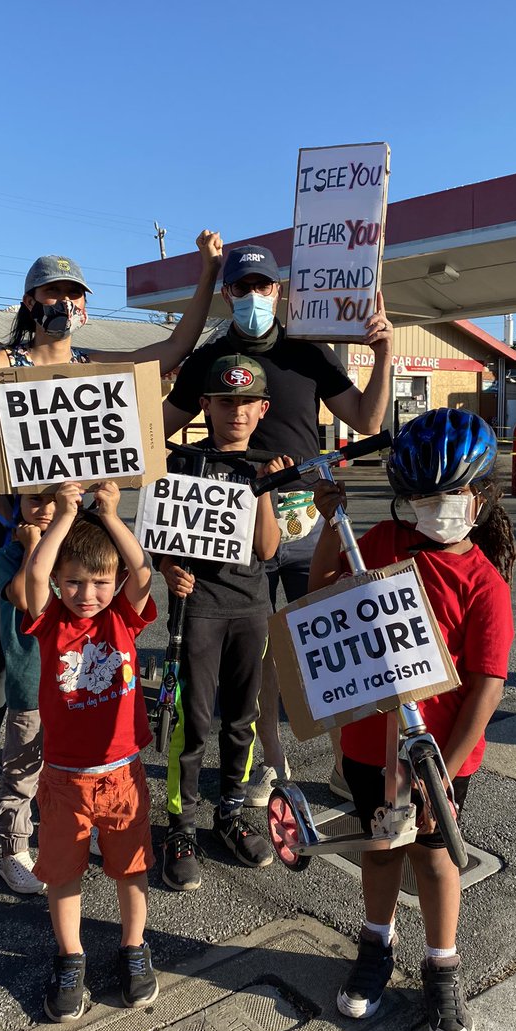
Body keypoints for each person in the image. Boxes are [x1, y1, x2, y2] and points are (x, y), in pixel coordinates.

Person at [0, 234, 221, 800]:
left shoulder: (97, 371)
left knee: (71, 650)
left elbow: (174, 348)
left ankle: (61, 754)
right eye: (51, 293)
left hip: (77, 535)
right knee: (12, 651)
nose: (63, 305)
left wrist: (206, 273)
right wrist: (15, 520)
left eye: (72, 294)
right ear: (30, 302)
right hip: (18, 531)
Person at [308, 408, 516, 1031]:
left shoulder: (484, 583)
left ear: (478, 497)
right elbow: (322, 592)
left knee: (434, 855)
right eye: (422, 498)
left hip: (443, 753)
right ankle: (375, 941)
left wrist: (443, 773)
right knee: (380, 846)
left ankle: (443, 961)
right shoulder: (380, 543)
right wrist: (326, 523)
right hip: (372, 743)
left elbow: (487, 683)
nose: (436, 509)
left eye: (449, 495)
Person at [163, 243, 393, 804]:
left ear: (280, 291)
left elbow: (367, 418)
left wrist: (385, 353)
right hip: (236, 527)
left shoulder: (307, 352)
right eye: (241, 289)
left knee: (331, 640)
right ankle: (270, 763)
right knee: (258, 655)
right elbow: (154, 434)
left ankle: (345, 762)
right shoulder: (209, 361)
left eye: (263, 287)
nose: (253, 297)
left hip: (312, 518)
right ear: (227, 296)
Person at [23, 479, 157, 1023]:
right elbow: (33, 576)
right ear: (59, 583)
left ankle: (134, 946)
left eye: (99, 582)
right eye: (74, 582)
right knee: (63, 871)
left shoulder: (123, 616)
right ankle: (70, 955)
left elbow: (143, 571)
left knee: (131, 867)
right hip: (64, 778)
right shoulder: (50, 619)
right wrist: (64, 514)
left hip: (122, 771)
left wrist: (111, 513)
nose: (87, 594)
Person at [157, 355, 293, 891]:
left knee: (243, 719)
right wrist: (168, 567)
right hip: (198, 609)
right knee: (191, 722)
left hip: (250, 606)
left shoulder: (267, 465)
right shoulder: (182, 462)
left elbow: (266, 547)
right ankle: (181, 827)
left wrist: (262, 488)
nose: (236, 412)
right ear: (206, 406)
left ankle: (230, 812)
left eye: (246, 402)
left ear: (262, 409)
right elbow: (158, 536)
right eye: (225, 401)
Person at [0, 490, 55, 894]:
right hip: (30, 681)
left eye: (55, 499)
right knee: (22, 770)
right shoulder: (10, 554)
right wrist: (33, 546)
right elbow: (21, 596)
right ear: (18, 507)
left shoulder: (77, 545)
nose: (45, 509)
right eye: (35, 500)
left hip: (76, 683)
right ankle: (13, 850)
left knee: (71, 764)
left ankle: (77, 830)